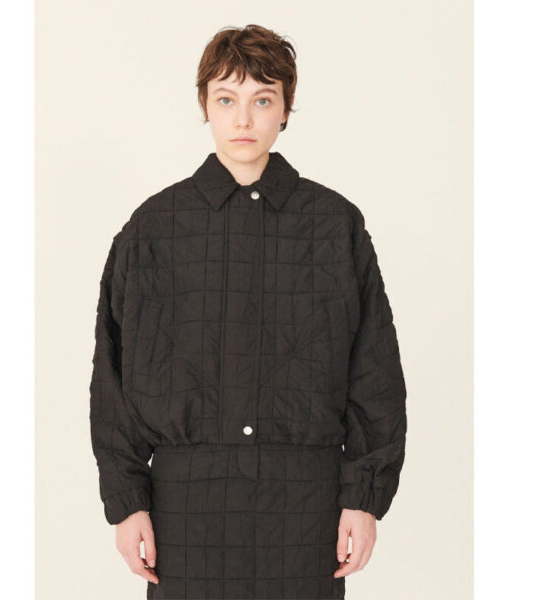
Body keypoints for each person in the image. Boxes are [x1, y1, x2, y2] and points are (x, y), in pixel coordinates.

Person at [89, 23, 407, 600]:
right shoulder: (152, 230)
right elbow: (112, 380)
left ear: (285, 109)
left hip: (307, 509)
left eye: (262, 100)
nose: (243, 119)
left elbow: (374, 370)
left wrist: (363, 497)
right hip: (184, 512)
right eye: (225, 100)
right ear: (204, 106)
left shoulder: (335, 226)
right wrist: (128, 502)